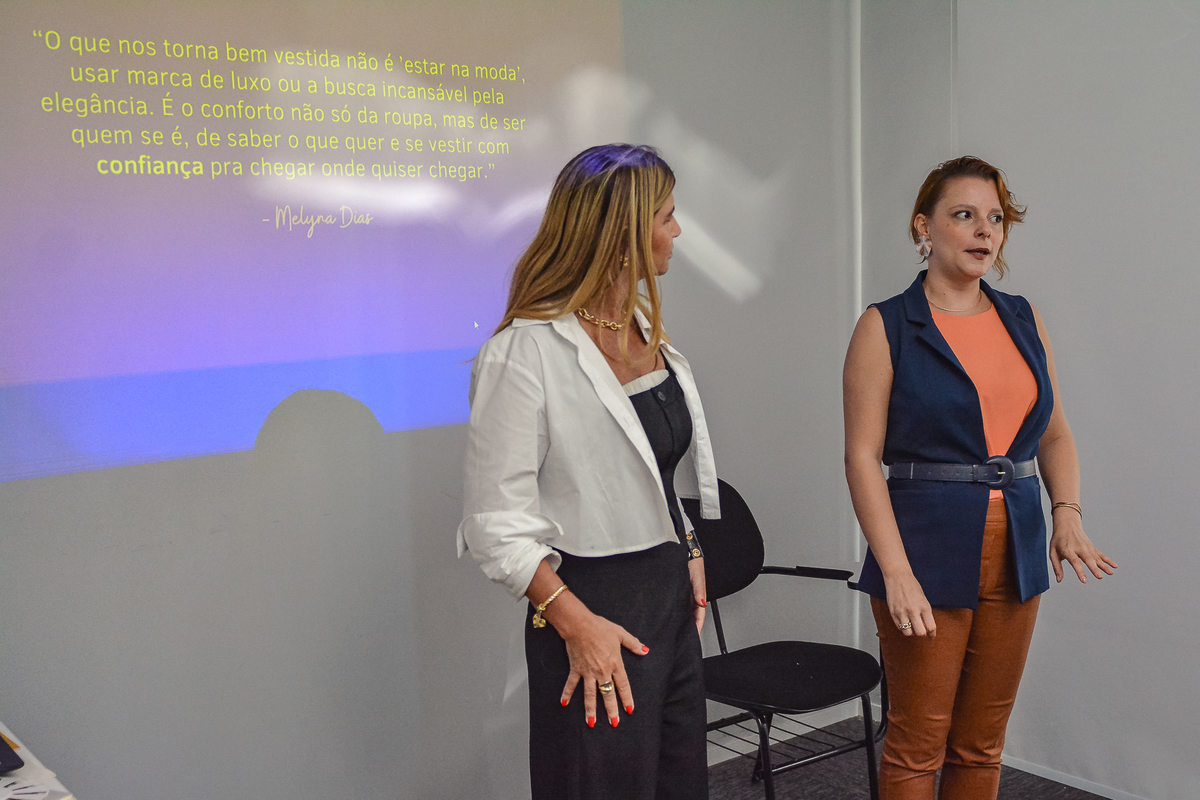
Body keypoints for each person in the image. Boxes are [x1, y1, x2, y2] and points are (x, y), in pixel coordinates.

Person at [842, 156, 1117, 799]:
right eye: (963, 215)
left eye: (995, 219)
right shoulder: (885, 326)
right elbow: (861, 458)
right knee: (916, 745)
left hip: (1017, 544)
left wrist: (1067, 513)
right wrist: (897, 572)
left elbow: (1052, 429)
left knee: (982, 744)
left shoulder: (1023, 317)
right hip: (924, 547)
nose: (982, 232)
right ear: (924, 226)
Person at [457, 143, 719, 800]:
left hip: (667, 600)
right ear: (623, 233)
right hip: (590, 610)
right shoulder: (523, 352)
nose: (677, 232)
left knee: (678, 784)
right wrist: (579, 626)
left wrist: (686, 546)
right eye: (666, 217)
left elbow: (650, 469)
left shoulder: (643, 332)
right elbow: (495, 526)